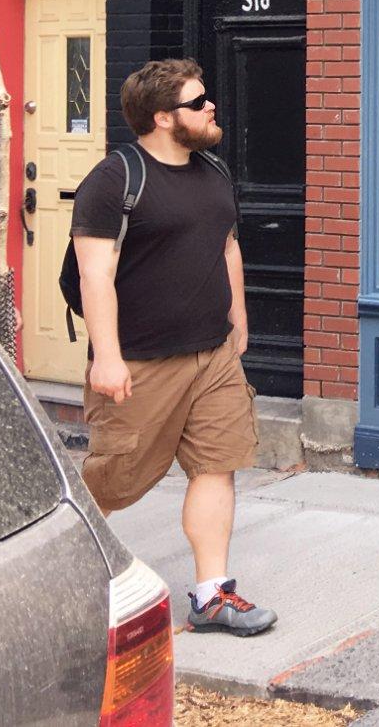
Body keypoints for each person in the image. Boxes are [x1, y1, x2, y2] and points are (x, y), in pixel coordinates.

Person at [70, 59, 274, 637]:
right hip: (139, 360)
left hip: (212, 354)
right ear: (162, 117)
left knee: (218, 464)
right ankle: (60, 569)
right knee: (114, 478)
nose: (211, 107)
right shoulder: (114, 181)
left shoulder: (212, 170)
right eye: (197, 101)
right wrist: (106, 355)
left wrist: (238, 318)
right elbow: (95, 275)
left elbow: (227, 246)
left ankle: (212, 594)